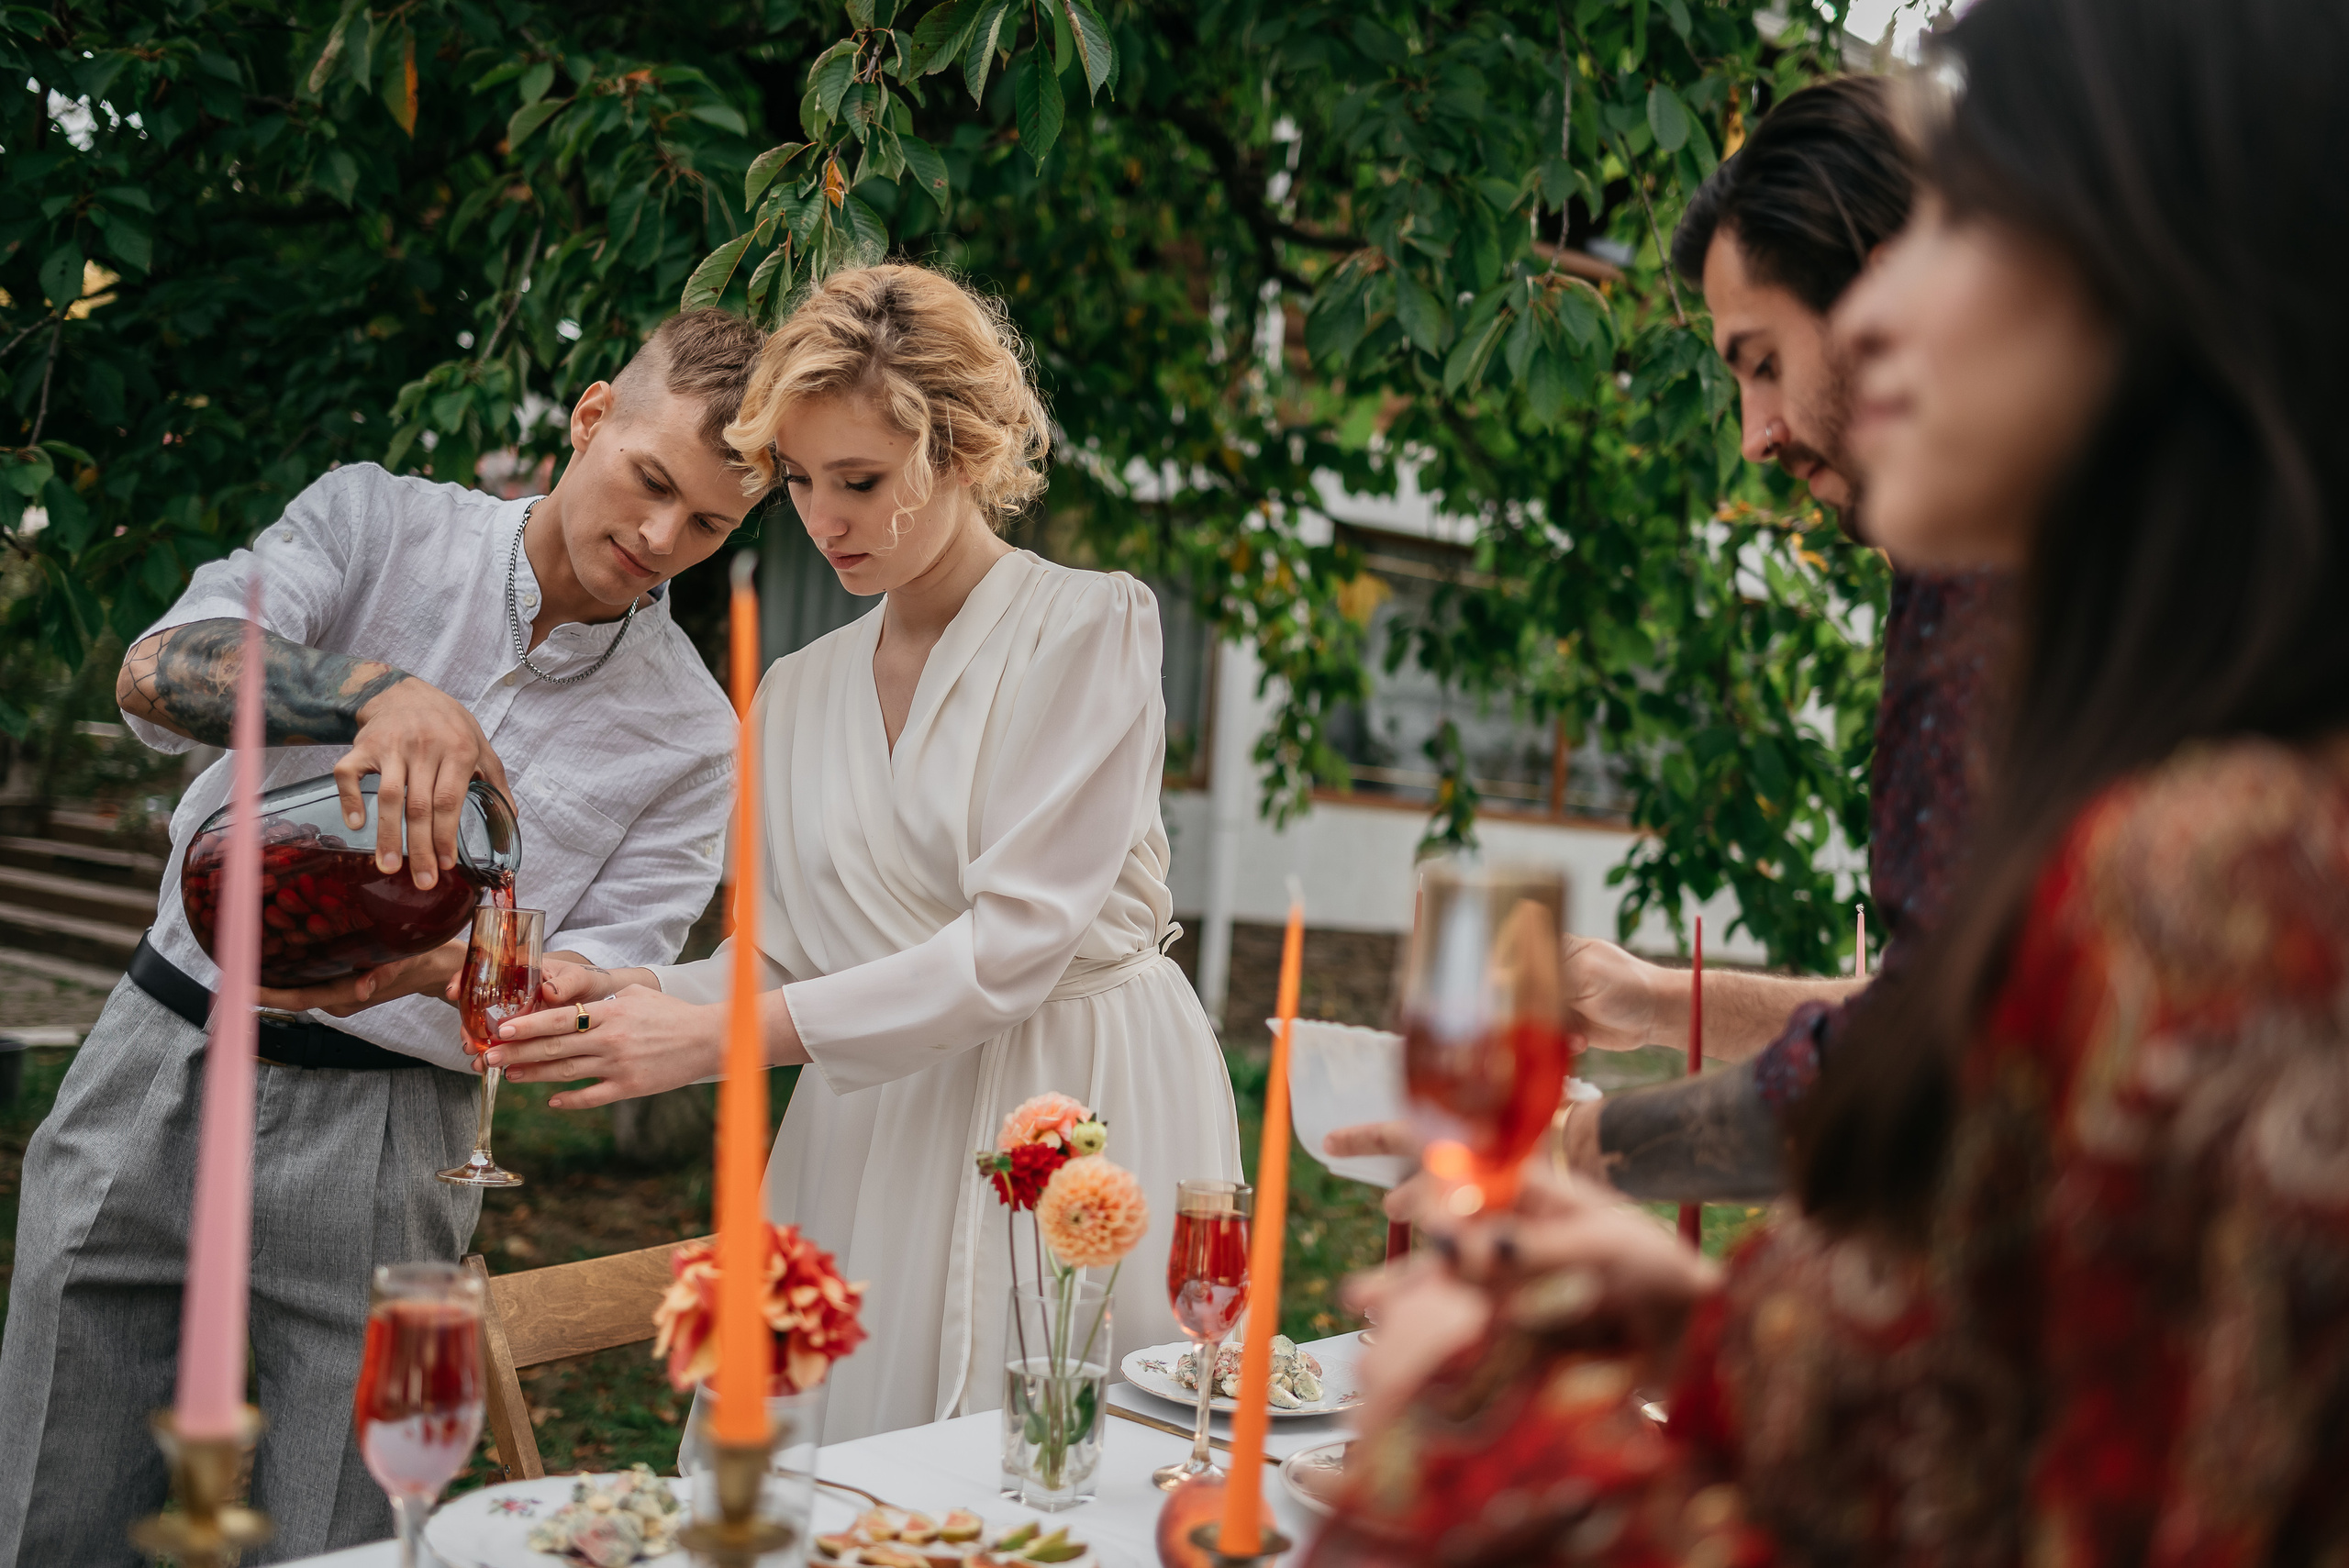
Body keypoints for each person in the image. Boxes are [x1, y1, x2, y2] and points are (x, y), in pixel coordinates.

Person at [1313, 0, 2349, 1561]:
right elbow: (2006, 1382)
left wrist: (1459, 1426)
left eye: (1971, 215)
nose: (1868, 320)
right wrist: (1714, 1328)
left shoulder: (2228, 874)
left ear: (2166, 271)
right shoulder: (2196, 806)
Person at [0, 310, 767, 1563]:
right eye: (651, 483)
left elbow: (608, 979)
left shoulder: (693, 736)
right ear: (590, 419)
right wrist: (377, 690)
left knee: (353, 1532)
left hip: (396, 1131)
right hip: (163, 1056)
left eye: (711, 525)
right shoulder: (376, 521)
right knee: (53, 1504)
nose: (660, 540)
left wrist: (507, 978)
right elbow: (157, 670)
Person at [489, 263, 1244, 1442]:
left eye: (860, 481)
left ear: (961, 452)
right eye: (796, 482)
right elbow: (785, 957)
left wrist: (726, 1035)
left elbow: (1014, 947)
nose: (822, 519)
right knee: (830, 1460)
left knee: (1053, 1453)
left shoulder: (1088, 629)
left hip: (1076, 1090)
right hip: (870, 1115)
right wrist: (637, 992)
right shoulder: (792, 691)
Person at [1328, 76, 2012, 1205]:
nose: (1754, 436)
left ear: (1886, 292)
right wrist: (1660, 1002)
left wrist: (1566, 1154)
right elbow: (1941, 993)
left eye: (1761, 363)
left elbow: (1942, 1051)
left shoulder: (1999, 560)